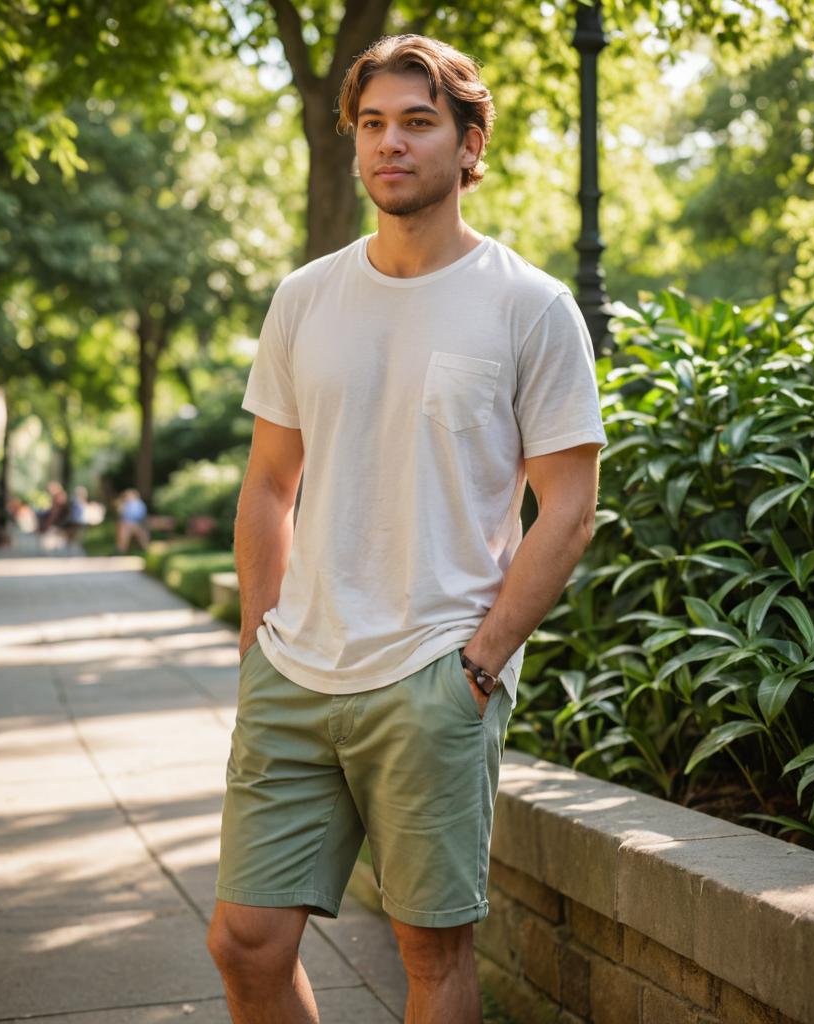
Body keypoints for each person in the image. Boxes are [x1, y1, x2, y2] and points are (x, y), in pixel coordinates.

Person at [207, 34, 607, 1024]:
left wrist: (478, 664)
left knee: (429, 951)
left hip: (433, 674)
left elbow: (569, 506)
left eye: (419, 123)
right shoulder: (305, 298)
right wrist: (261, 634)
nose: (391, 144)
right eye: (373, 124)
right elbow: (267, 482)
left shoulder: (530, 306)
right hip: (295, 671)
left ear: (469, 147)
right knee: (244, 941)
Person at [115, 488, 149, 553]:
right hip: (126, 524)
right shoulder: (124, 504)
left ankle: (145, 549)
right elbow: (121, 515)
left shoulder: (139, 504)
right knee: (122, 528)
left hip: (137, 524)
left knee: (139, 532)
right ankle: (121, 549)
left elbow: (141, 516)